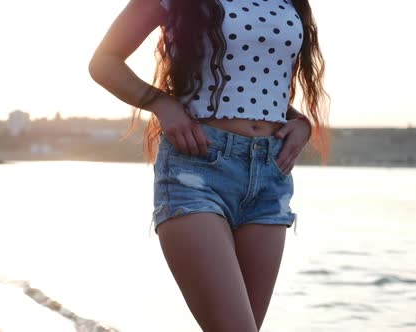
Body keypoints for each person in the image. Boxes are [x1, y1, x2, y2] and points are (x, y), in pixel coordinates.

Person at [88, 0, 330, 330]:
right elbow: (104, 62)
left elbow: (253, 77)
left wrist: (298, 121)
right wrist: (162, 104)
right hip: (196, 167)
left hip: (269, 175)